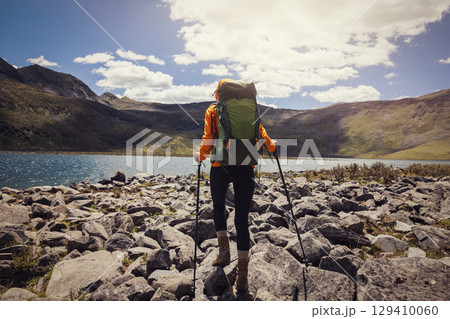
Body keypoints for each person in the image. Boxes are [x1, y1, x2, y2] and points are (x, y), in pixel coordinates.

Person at [195, 79, 277, 293]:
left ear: (219, 94)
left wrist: (200, 155)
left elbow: (208, 138)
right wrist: (271, 146)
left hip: (219, 165)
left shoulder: (213, 110)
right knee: (242, 219)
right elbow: (260, 133)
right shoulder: (252, 110)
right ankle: (242, 278)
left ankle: (223, 254)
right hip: (246, 165)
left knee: (219, 208)